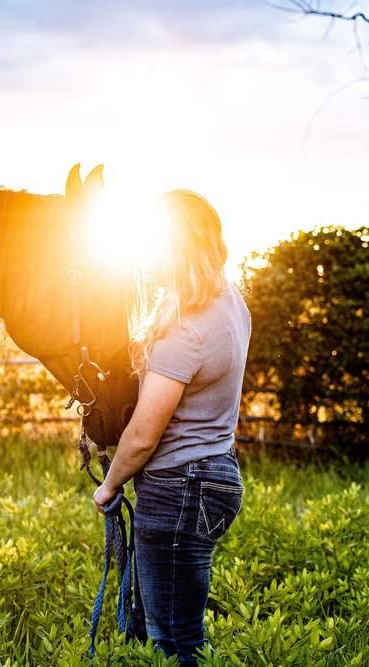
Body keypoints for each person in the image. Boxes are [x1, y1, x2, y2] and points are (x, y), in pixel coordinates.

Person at [92, 189, 251, 664]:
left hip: (179, 487)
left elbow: (144, 434)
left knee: (173, 639)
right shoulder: (231, 303)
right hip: (216, 473)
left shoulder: (187, 327)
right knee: (177, 627)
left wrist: (109, 484)